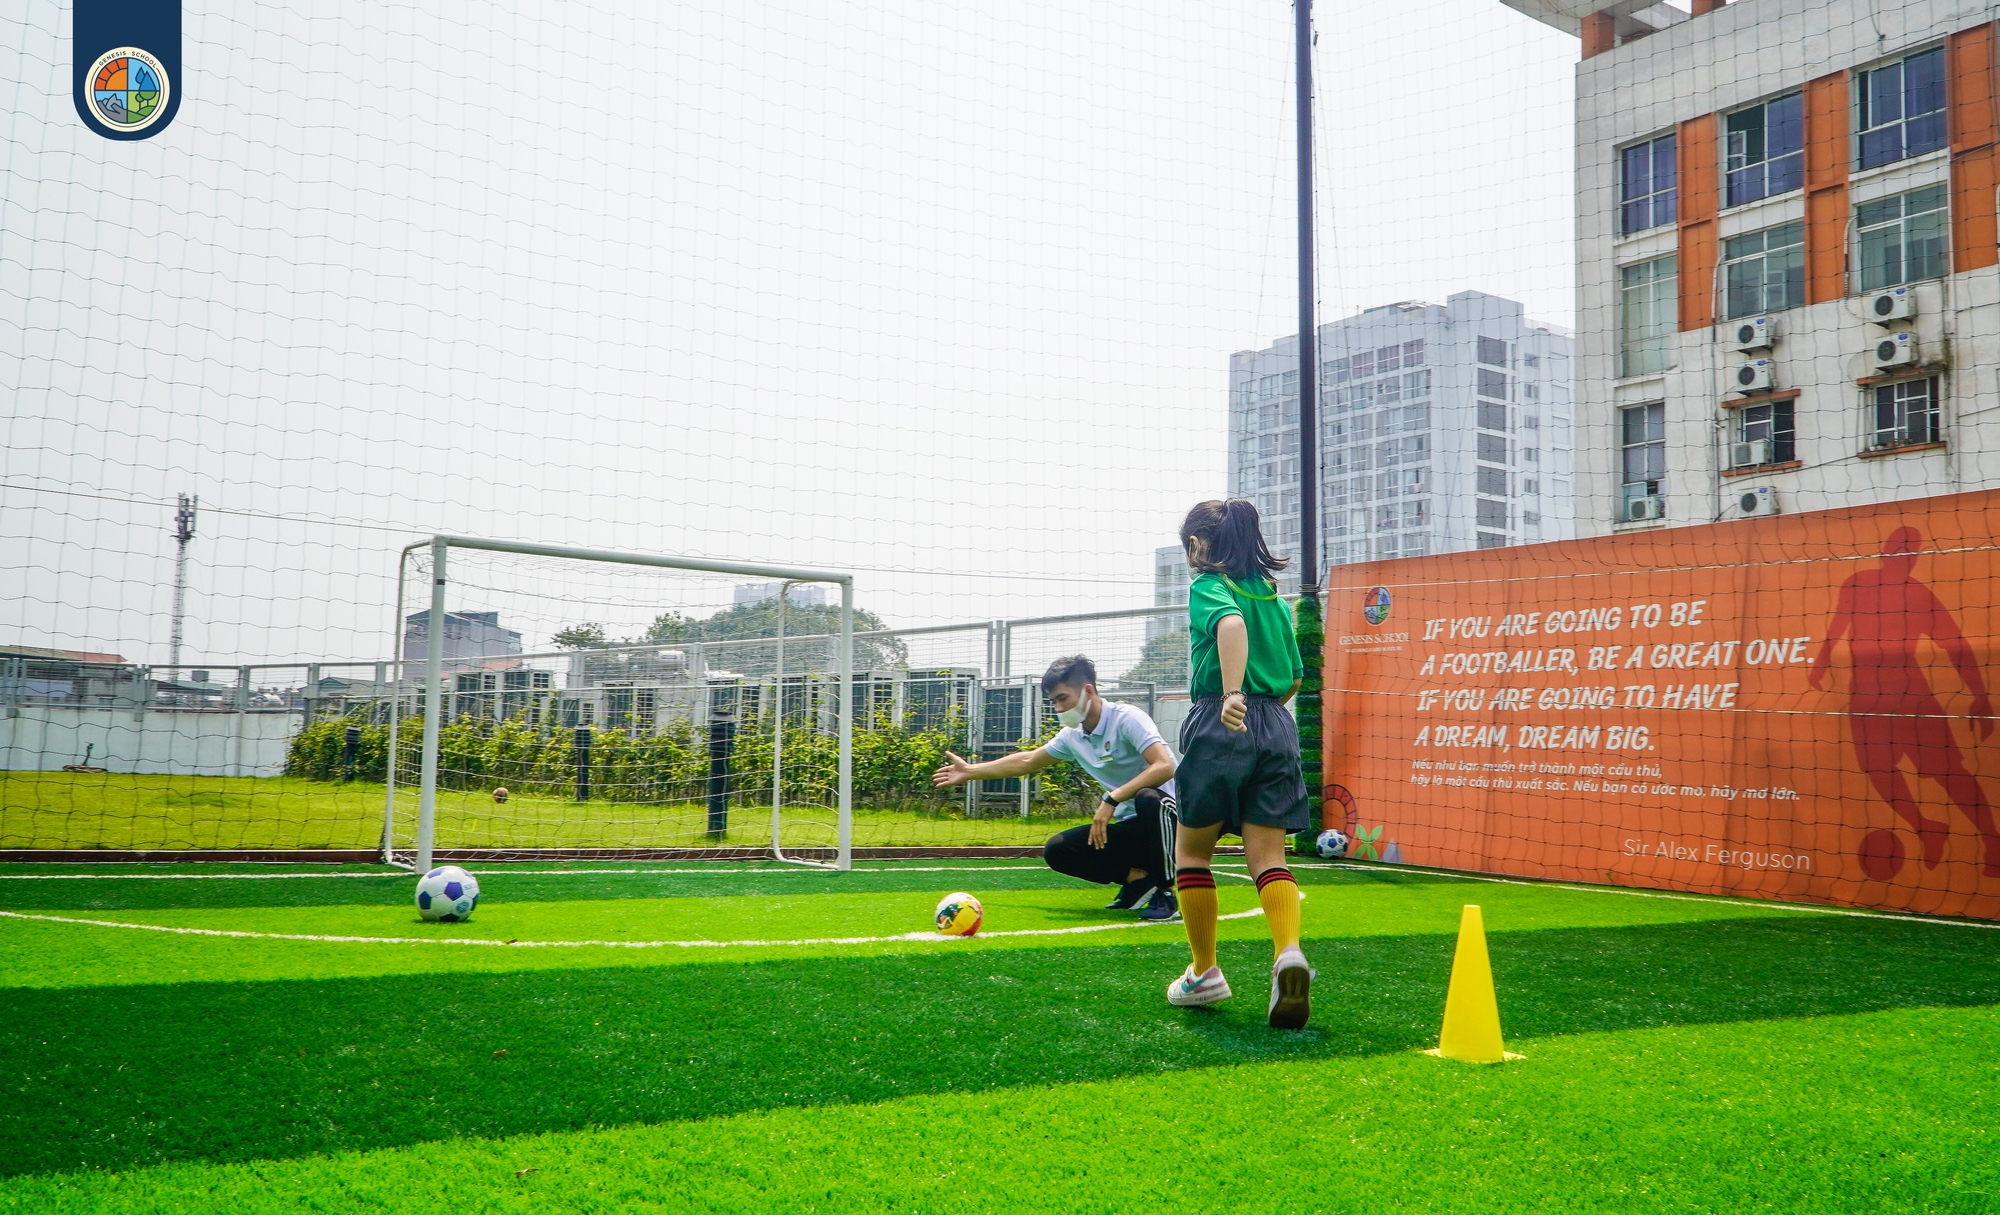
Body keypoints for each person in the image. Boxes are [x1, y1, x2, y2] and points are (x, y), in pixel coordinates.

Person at [1164, 498, 1313, 1029]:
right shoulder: (1272, 598)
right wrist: (1265, 714)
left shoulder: (1210, 585)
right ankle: (1289, 952)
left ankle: (1205, 972)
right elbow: (1295, 674)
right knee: (1270, 856)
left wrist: (1232, 694)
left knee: (1193, 853)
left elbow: (1229, 627)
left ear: (1197, 546)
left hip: (1221, 718)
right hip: (1276, 722)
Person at [1809, 525, 1999, 876]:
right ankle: (1927, 826)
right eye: (1894, 548)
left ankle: (1993, 841)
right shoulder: (1858, 582)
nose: (1899, 556)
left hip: (1912, 697)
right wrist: (1821, 662)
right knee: (1879, 770)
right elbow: (1838, 625)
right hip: (1867, 700)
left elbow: (1955, 645)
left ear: (1912, 559)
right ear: (1885, 550)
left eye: (1906, 551)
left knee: (1949, 773)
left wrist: (1979, 695)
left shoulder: (1919, 596)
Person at [932, 655, 1180, 921]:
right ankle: (1139, 881)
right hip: (1132, 827)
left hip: (1175, 821)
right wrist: (970, 771)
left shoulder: (1127, 718)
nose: (1059, 708)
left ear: (1088, 691)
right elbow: (1028, 760)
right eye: (1053, 702)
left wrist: (1111, 799)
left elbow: (1164, 766)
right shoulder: (1073, 736)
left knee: (1148, 797)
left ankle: (1165, 892)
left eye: (1063, 698)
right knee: (1058, 850)